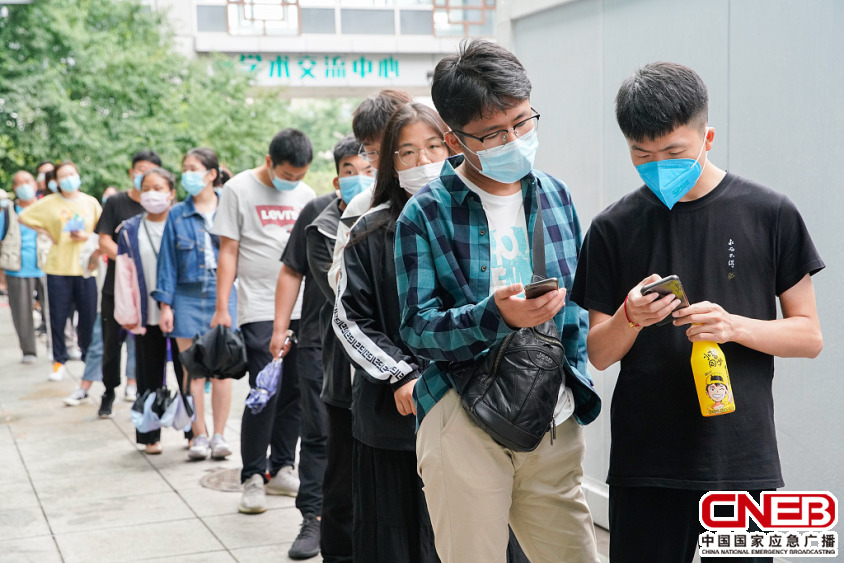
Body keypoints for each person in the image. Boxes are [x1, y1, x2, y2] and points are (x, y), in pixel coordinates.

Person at [570, 62, 824, 563]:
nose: (657, 164)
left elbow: (809, 335)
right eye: (641, 154)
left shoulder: (769, 212)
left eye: (674, 152)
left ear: (707, 137)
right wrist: (630, 317)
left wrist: (734, 326)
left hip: (741, 461)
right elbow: (597, 354)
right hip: (647, 462)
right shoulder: (612, 227)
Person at [394, 39, 601, 563]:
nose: (514, 140)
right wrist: (493, 316)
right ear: (455, 138)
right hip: (462, 416)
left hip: (552, 416)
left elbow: (574, 306)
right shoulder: (425, 213)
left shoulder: (555, 195)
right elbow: (417, 328)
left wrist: (574, 381)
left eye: (523, 122)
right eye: (493, 133)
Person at [334, 104, 446, 563]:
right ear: (390, 164)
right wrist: (400, 374)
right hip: (390, 414)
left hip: (469, 411)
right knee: (394, 536)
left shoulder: (477, 220)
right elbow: (348, 319)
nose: (423, 162)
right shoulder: (370, 229)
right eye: (407, 152)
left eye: (434, 147)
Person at [267, 134, 373, 559]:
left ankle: (359, 521)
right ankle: (312, 518)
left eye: (368, 170)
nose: (359, 178)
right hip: (319, 341)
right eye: (350, 172)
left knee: (361, 437)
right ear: (336, 178)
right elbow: (292, 271)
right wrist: (280, 328)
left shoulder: (394, 212)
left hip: (372, 350)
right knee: (317, 435)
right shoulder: (316, 213)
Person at [209, 129, 315, 515]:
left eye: (300, 175)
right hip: (257, 306)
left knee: (295, 392)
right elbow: (228, 250)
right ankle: (252, 476)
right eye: (287, 174)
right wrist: (224, 305)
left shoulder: (305, 196)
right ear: (269, 161)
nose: (293, 182)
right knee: (263, 393)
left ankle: (282, 466)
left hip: (304, 308)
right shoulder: (238, 189)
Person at [154, 148, 236, 459]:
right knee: (193, 371)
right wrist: (166, 305)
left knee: (222, 369)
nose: (187, 174)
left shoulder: (230, 207)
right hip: (186, 296)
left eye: (193, 168)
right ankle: (198, 435)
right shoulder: (176, 213)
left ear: (211, 174)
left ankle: (220, 436)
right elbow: (168, 262)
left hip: (224, 295)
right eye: (185, 168)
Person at [116, 167, 186, 455]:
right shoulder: (130, 229)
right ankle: (149, 435)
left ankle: (194, 433)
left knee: (187, 373)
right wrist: (128, 315)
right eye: (147, 188)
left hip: (183, 312)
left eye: (159, 187)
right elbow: (123, 275)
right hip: (146, 314)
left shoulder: (184, 221)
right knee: (149, 375)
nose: (152, 193)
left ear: (171, 193)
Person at [19, 161, 102, 382]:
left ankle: (89, 359)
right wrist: (46, 232)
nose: (68, 179)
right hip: (58, 268)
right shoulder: (50, 203)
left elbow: (102, 231)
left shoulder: (90, 202)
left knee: (88, 318)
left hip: (85, 269)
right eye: (63, 176)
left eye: (71, 174)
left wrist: (86, 237)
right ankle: (59, 360)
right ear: (56, 181)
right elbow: (23, 216)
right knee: (57, 317)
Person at [327, 90, 413, 294]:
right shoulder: (360, 207)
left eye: (392, 148)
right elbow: (338, 277)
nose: (383, 161)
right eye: (373, 153)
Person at [96, 150, 161, 416]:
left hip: (151, 291)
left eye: (151, 172)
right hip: (118, 288)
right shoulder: (115, 203)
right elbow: (104, 240)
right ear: (131, 172)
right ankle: (109, 390)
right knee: (111, 345)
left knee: (149, 347)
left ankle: (145, 396)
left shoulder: (159, 205)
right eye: (140, 170)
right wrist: (128, 260)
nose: (144, 177)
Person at [0, 171, 50, 363]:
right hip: (17, 269)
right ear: (14, 188)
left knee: (54, 310)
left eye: (27, 181)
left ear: (35, 185)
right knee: (21, 313)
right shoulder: (7, 211)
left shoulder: (45, 208)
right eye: (19, 183)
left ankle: (60, 347)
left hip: (46, 266)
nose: (24, 186)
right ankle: (28, 351)